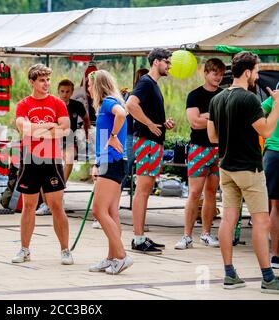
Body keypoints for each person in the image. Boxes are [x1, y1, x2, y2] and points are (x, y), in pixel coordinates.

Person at [208, 51, 279, 293]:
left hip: (226, 167)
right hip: (249, 167)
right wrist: (277, 104)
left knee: (228, 219)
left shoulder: (216, 99)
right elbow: (267, 131)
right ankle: (268, 278)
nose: (257, 76)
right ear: (247, 72)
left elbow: (212, 136)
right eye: (257, 72)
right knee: (261, 220)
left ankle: (229, 274)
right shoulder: (248, 99)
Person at [12, 63, 73, 265]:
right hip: (30, 158)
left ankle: (65, 250)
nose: (46, 83)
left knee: (56, 205)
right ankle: (25, 249)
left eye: (48, 80)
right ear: (32, 82)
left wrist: (39, 129)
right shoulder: (24, 104)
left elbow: (64, 129)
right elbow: (25, 129)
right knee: (29, 205)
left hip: (52, 158)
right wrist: (49, 126)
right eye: (42, 80)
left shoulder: (57, 103)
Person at [125, 48, 176, 255]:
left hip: (152, 141)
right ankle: (137, 238)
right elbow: (130, 104)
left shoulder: (152, 84)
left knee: (145, 191)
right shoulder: (146, 82)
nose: (169, 66)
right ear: (156, 62)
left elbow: (144, 109)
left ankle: (141, 236)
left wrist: (162, 123)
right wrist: (149, 124)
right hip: (147, 142)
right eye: (167, 62)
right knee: (143, 190)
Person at [174, 58, 226, 250]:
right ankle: (186, 235)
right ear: (206, 73)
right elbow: (194, 122)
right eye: (215, 73)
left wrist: (206, 116)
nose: (218, 78)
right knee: (194, 193)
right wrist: (215, 117)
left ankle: (206, 233)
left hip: (218, 149)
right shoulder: (194, 95)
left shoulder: (224, 95)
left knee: (212, 193)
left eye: (221, 74)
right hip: (198, 148)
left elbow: (227, 122)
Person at [87, 70, 134, 275]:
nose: (87, 89)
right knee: (112, 213)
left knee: (99, 211)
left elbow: (122, 114)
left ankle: (122, 256)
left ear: (96, 86)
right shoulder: (111, 103)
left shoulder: (107, 102)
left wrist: (114, 135)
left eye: (89, 85)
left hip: (111, 162)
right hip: (113, 161)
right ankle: (111, 257)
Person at [36, 79, 90, 216]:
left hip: (69, 138)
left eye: (67, 92)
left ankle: (60, 186)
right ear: (58, 91)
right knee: (46, 169)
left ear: (72, 92)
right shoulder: (52, 104)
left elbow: (86, 118)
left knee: (69, 160)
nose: (65, 94)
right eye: (62, 91)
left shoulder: (77, 105)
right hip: (53, 137)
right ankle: (45, 203)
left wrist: (87, 132)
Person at [262, 95, 279, 269]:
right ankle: (276, 255)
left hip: (273, 152)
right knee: (276, 205)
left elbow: (255, 113)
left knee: (276, 205)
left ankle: (276, 256)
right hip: (275, 151)